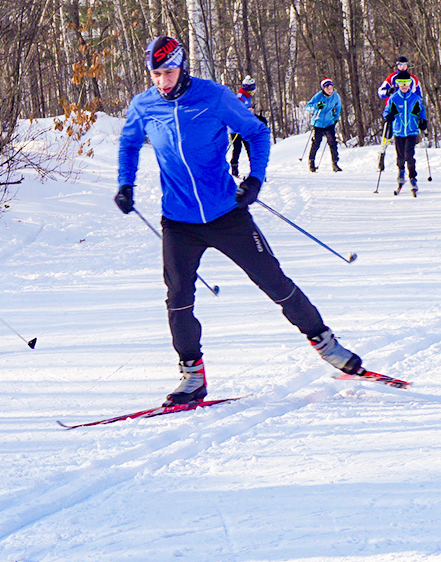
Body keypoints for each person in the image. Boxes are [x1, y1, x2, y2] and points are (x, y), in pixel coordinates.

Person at [115, 36, 369, 406]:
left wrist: (255, 178)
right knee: (178, 299)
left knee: (273, 281)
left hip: (226, 213)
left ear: (181, 66)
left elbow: (256, 132)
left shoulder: (213, 96)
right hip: (178, 220)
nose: (163, 81)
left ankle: (327, 344)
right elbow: (128, 143)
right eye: (156, 74)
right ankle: (191, 377)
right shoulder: (144, 105)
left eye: (168, 72)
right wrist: (125, 183)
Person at [382, 75, 427, 197]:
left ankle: (412, 177)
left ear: (410, 85)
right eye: (401, 83)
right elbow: (386, 111)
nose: (404, 86)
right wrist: (388, 116)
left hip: (411, 131)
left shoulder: (415, 98)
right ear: (398, 85)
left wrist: (423, 120)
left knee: (409, 155)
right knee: (400, 156)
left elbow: (421, 111)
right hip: (398, 131)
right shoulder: (394, 98)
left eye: (406, 83)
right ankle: (401, 171)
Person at [306, 78, 343, 172]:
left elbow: (338, 107)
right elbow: (308, 107)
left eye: (331, 87)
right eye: (327, 88)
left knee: (332, 142)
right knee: (316, 142)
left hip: (329, 122)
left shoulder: (335, 96)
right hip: (318, 123)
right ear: (323, 89)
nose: (330, 90)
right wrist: (316, 106)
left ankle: (335, 163)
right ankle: (311, 162)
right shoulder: (318, 96)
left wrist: (335, 118)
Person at [228, 75, 258, 177]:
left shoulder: (248, 98)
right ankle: (234, 169)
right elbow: (234, 110)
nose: (253, 91)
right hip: (236, 128)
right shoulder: (240, 97)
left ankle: (255, 170)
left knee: (249, 148)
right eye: (252, 89)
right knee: (237, 148)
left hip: (244, 128)